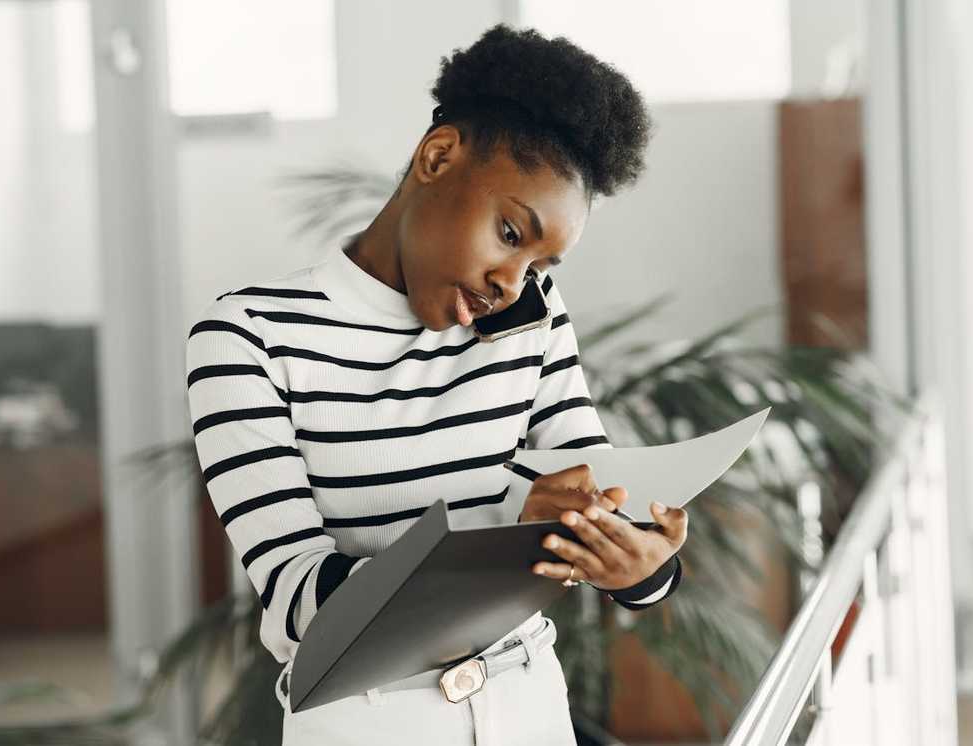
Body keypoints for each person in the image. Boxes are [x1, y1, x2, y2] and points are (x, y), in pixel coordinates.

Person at [185, 23, 688, 746]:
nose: (510, 282)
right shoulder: (251, 337)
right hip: (366, 720)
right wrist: (518, 533)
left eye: (539, 266)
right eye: (511, 234)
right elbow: (301, 597)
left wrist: (641, 565)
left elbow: (599, 489)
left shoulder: (531, 321)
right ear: (438, 156)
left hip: (529, 706)